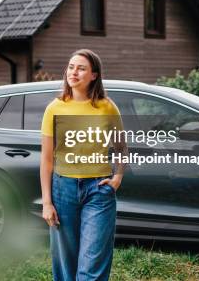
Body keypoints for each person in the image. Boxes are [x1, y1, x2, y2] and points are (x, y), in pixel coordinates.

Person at [40, 49, 128, 281]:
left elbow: (121, 148)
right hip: (63, 190)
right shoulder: (54, 108)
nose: (73, 72)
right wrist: (47, 202)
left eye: (81, 68)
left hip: (98, 191)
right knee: (66, 265)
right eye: (71, 67)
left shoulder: (107, 107)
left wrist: (117, 178)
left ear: (94, 75)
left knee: (92, 264)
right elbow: (47, 159)